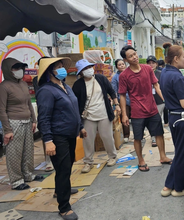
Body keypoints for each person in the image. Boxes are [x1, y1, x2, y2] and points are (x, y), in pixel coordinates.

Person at [36, 57, 85, 220]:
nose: (62, 69)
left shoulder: (64, 86)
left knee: (67, 165)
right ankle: (64, 207)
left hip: (70, 134)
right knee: (63, 169)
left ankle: (60, 189)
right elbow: (43, 118)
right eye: (58, 67)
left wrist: (80, 127)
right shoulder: (46, 90)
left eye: (62, 66)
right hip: (58, 136)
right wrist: (48, 141)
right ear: (50, 71)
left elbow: (74, 108)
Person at [118, 46, 172, 172]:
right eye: (130, 56)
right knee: (138, 137)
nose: (134, 57)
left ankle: (163, 156)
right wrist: (124, 115)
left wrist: (164, 100)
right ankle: (141, 160)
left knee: (159, 133)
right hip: (137, 112)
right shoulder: (124, 75)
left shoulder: (147, 69)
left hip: (152, 108)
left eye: (135, 54)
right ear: (126, 60)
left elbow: (156, 85)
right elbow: (121, 95)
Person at [160, 43, 184, 197]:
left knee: (180, 151)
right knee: (183, 153)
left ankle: (168, 186)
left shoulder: (165, 72)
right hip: (183, 118)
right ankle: (179, 188)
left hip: (173, 117)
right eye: (183, 57)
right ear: (175, 59)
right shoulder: (177, 76)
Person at [0, 58, 42, 191]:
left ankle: (28, 175)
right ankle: (17, 180)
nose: (19, 71)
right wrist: (7, 130)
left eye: (20, 68)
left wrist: (34, 120)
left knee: (28, 150)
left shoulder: (23, 84)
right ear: (8, 70)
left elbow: (29, 103)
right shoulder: (4, 86)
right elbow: (1, 109)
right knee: (14, 153)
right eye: (15, 68)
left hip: (27, 121)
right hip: (14, 123)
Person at [72, 59, 119, 173]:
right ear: (81, 72)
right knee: (88, 139)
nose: (88, 70)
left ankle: (112, 156)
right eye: (85, 69)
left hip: (103, 113)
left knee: (107, 136)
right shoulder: (78, 85)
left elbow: (111, 91)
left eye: (89, 67)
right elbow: (75, 102)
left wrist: (116, 104)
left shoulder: (101, 79)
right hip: (88, 116)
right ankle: (88, 162)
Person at [147, 55, 165, 147]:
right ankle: (153, 137)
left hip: (159, 100)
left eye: (153, 63)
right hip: (148, 101)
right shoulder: (144, 73)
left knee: (158, 119)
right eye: (149, 63)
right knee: (151, 120)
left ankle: (158, 136)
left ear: (156, 64)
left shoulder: (160, 73)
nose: (151, 65)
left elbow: (163, 87)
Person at [111, 59, 130, 143]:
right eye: (119, 64)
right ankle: (126, 135)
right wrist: (116, 103)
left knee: (137, 117)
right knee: (124, 117)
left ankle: (140, 133)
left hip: (133, 99)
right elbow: (114, 90)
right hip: (123, 100)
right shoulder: (115, 77)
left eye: (123, 64)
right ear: (116, 67)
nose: (122, 65)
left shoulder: (130, 73)